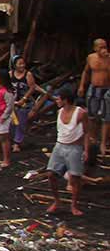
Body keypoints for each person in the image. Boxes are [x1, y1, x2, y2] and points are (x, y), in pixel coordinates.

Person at [47, 87, 90, 216]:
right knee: (51, 174)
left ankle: (74, 205)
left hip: (75, 148)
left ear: (65, 100)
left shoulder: (80, 113)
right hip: (60, 146)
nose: (56, 101)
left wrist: (86, 150)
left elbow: (87, 132)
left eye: (58, 98)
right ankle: (57, 201)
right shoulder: (59, 112)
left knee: (75, 178)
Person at [78, 38, 109, 157]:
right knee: (92, 114)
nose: (103, 49)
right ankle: (92, 138)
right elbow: (86, 72)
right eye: (101, 47)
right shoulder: (91, 58)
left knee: (106, 117)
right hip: (94, 87)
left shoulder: (108, 58)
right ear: (95, 48)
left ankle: (103, 142)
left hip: (106, 88)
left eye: (105, 46)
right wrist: (81, 85)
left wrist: (107, 60)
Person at [11, 56, 37, 152]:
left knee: (21, 122)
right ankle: (13, 140)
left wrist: (24, 98)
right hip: (13, 101)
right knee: (12, 122)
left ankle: (17, 143)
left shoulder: (28, 74)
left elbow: (32, 87)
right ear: (14, 65)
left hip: (25, 103)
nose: (22, 65)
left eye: (23, 63)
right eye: (19, 64)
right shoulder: (11, 74)